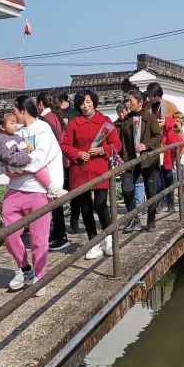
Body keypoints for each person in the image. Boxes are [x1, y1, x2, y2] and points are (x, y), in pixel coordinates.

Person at [0, 95, 62, 292]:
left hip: (38, 191)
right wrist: (13, 168)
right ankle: (24, 268)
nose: (12, 115)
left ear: (23, 110)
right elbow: (2, 159)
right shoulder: (13, 131)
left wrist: (15, 167)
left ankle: (40, 277)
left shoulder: (43, 129)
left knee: (39, 239)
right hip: (14, 190)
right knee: (9, 234)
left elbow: (38, 160)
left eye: (14, 110)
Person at [60, 89, 121, 260]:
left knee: (101, 204)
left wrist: (103, 150)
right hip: (80, 171)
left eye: (88, 102)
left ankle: (109, 239)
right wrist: (77, 153)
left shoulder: (105, 121)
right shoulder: (74, 123)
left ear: (94, 102)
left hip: (100, 169)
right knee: (85, 208)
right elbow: (65, 145)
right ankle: (93, 243)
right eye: (82, 103)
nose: (85, 106)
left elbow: (117, 144)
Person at [0, 109, 64, 197]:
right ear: (2, 127)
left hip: (12, 164)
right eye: (12, 123)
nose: (15, 125)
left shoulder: (7, 135)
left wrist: (24, 151)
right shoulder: (3, 139)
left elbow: (13, 151)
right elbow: (9, 156)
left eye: (15, 122)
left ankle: (52, 189)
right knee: (36, 168)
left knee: (34, 167)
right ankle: (52, 189)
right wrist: (27, 157)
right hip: (11, 165)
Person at [118, 89, 162, 231]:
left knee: (150, 190)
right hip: (130, 160)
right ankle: (134, 218)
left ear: (140, 102)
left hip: (148, 159)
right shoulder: (126, 119)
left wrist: (145, 145)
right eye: (127, 101)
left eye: (130, 101)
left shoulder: (150, 117)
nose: (128, 103)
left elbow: (158, 137)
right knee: (126, 188)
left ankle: (151, 219)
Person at [36, 91, 71, 251]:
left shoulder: (45, 119)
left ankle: (60, 235)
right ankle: (58, 233)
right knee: (56, 199)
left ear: (40, 104)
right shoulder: (56, 116)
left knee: (54, 199)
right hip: (62, 161)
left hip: (53, 163)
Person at [115, 103, 145, 209]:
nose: (121, 114)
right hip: (123, 159)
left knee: (138, 181)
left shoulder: (134, 121)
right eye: (119, 112)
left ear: (127, 111)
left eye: (123, 112)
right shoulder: (115, 125)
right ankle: (132, 211)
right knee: (126, 186)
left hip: (136, 155)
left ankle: (139, 206)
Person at [160, 111, 184, 212]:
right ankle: (161, 204)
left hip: (167, 160)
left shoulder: (171, 130)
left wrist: (175, 156)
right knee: (160, 183)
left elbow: (178, 142)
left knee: (169, 182)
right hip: (158, 160)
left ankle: (170, 204)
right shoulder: (158, 127)